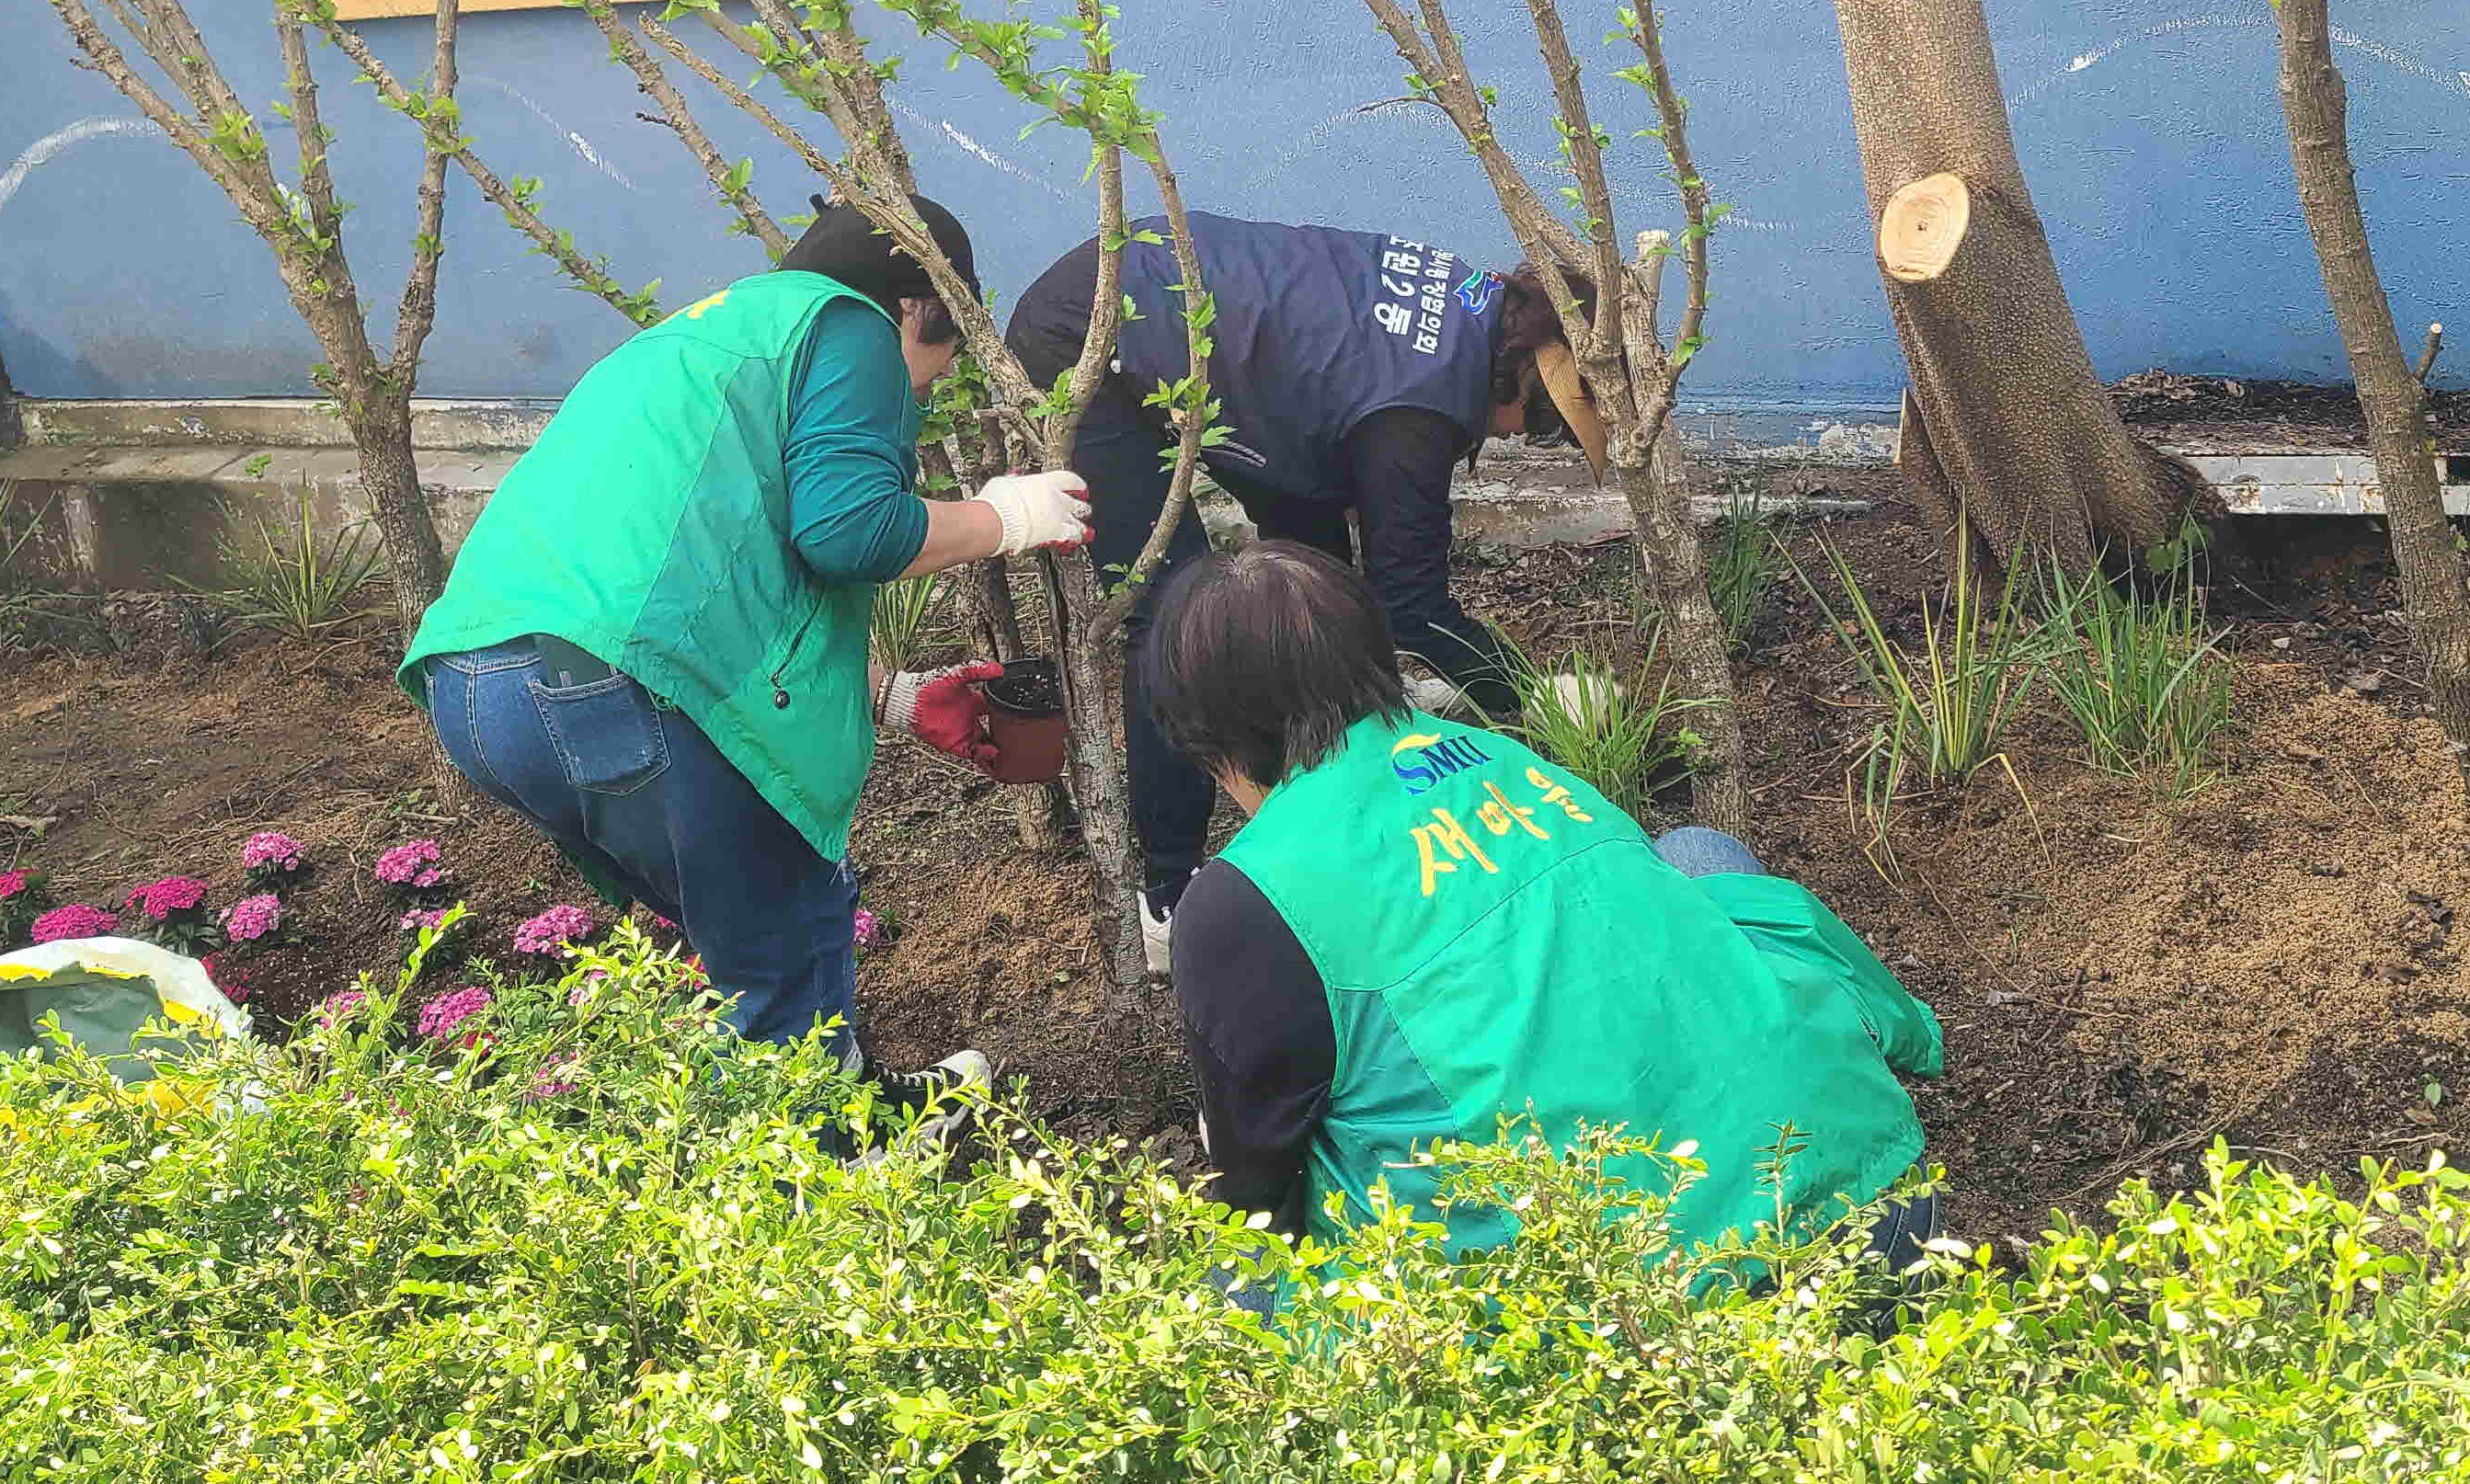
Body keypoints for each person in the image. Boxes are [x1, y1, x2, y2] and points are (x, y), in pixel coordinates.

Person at [399, 194, 1092, 1142]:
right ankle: (819, 1193)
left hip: (479, 690)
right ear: (911, 307)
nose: (923, 395)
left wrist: (889, 700)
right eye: (940, 362)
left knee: (748, 929)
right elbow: (851, 529)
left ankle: (833, 1110)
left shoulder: (688, 345)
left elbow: (705, 575)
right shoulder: (845, 321)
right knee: (783, 927)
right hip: (619, 688)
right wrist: (1007, 516)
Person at [1152, 542, 1943, 1277]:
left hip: (1659, 1315)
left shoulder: (1245, 900)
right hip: (1875, 1200)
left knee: (1238, 1281)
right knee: (1697, 854)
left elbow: (1260, 1197)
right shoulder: (1497, 753)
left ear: (1212, 742)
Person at [1006, 213, 1606, 970]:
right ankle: (1167, 895)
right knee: (1174, 611)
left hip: (1186, 314)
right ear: (1524, 369)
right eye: (1551, 420)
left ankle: (1332, 761)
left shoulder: (1473, 309)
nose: (1531, 437)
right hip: (1093, 335)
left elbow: (1337, 535)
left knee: (1310, 573)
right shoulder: (1416, 412)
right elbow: (1412, 605)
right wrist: (1536, 695)